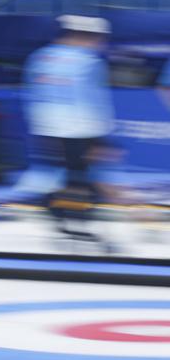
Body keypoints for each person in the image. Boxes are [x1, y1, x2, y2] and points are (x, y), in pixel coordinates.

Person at [21, 15, 114, 242]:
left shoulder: (40, 57)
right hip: (79, 128)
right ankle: (75, 222)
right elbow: (93, 98)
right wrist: (102, 138)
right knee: (79, 178)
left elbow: (32, 92)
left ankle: (61, 216)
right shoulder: (89, 61)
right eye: (99, 39)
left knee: (65, 175)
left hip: (47, 127)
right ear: (87, 37)